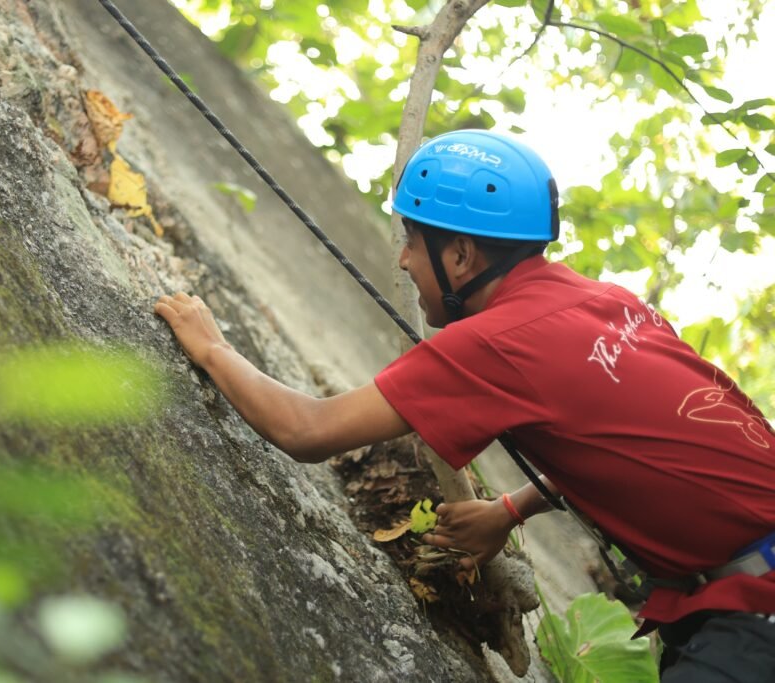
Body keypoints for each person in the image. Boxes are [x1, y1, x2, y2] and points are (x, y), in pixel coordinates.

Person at [154, 129, 775, 681]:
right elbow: (625, 442)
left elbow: (306, 430)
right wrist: (509, 509)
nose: (400, 258)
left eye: (412, 241)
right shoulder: (606, 302)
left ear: (460, 257)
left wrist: (212, 349)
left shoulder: (496, 342)